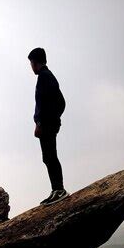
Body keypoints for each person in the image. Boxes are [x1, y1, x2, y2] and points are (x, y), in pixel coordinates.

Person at [28, 47, 70, 205]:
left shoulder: (45, 77)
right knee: (49, 157)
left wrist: (42, 123)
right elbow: (59, 103)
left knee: (50, 156)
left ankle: (59, 190)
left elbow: (51, 104)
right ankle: (56, 189)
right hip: (48, 124)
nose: (31, 67)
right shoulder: (47, 76)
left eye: (31, 63)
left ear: (35, 62)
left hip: (47, 126)